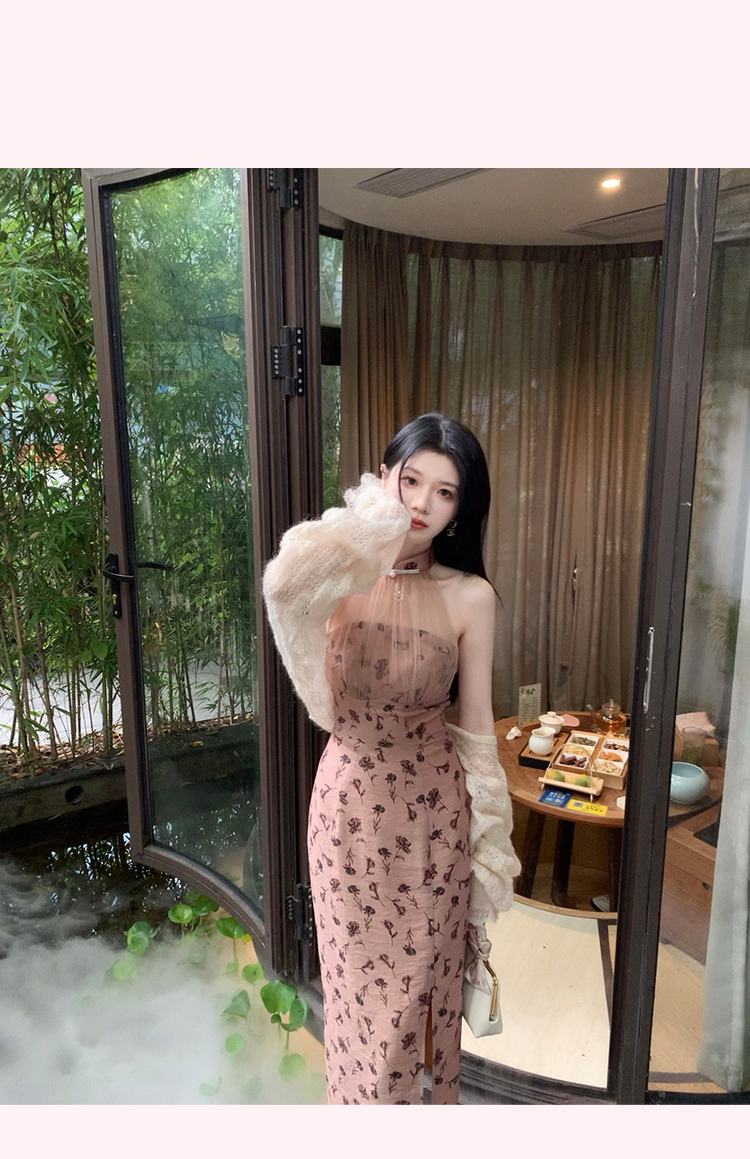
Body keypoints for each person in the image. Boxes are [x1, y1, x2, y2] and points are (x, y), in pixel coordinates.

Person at [263, 412, 520, 1105]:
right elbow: (281, 589)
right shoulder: (337, 576)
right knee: (354, 1004)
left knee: (412, 1009)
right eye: (411, 481)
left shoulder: (471, 596)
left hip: (431, 822)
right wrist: (363, 534)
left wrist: (488, 846)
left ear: (462, 509)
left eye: (446, 492)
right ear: (384, 479)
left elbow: (477, 729)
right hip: (346, 814)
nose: (423, 504)